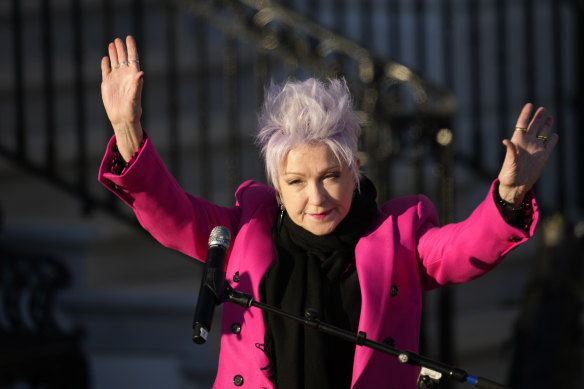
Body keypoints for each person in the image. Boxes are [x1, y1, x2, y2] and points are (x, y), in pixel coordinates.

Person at [99, 36, 558, 389]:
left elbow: (460, 251)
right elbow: (172, 216)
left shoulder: (396, 234)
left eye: (331, 176)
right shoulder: (246, 230)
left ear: (355, 169)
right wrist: (126, 131)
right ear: (277, 185)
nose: (316, 197)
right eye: (297, 182)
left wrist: (509, 195)